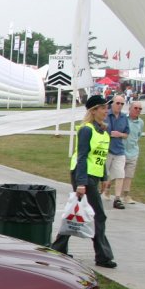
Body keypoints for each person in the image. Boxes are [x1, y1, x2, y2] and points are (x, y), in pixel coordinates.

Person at [51, 94, 116, 268]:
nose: (106, 110)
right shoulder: (87, 130)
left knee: (77, 212)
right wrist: (80, 183)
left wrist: (104, 178)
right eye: (103, 108)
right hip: (83, 175)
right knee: (98, 215)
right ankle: (103, 256)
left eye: (106, 107)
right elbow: (82, 157)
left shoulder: (102, 131)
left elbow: (100, 157)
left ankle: (58, 247)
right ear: (93, 111)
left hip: (93, 175)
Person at [99, 95, 130, 208]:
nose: (120, 106)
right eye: (118, 103)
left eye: (122, 104)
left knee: (120, 174)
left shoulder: (123, 117)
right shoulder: (106, 114)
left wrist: (120, 134)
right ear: (112, 103)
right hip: (106, 149)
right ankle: (100, 192)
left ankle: (117, 198)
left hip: (119, 149)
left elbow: (127, 133)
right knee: (103, 174)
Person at [121, 100, 145, 204]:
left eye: (140, 109)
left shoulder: (141, 122)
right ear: (130, 109)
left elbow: (138, 135)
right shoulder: (123, 119)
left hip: (133, 152)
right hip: (120, 151)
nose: (138, 110)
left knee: (129, 175)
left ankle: (126, 195)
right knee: (116, 174)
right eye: (136, 108)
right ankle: (106, 190)